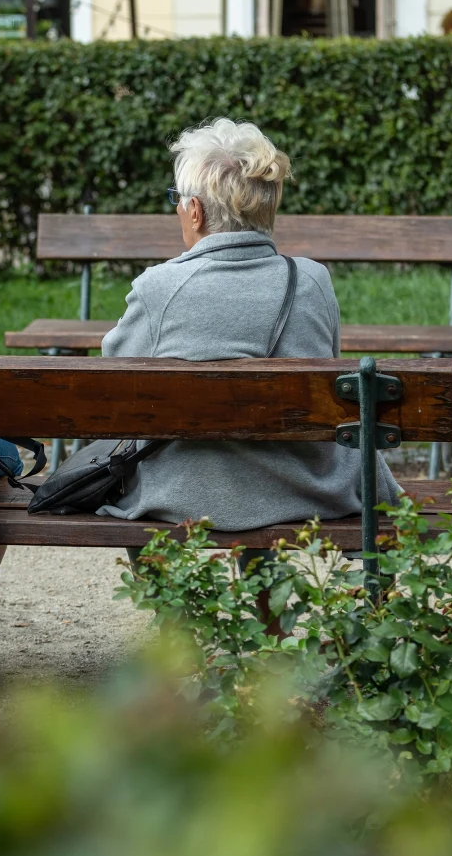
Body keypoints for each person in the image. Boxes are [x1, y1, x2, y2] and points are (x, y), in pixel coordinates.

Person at [98, 118, 402, 568]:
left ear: (195, 211)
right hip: (303, 486)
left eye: (177, 202)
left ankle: (176, 626)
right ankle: (270, 624)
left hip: (188, 491)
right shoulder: (313, 281)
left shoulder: (157, 288)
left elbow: (116, 387)